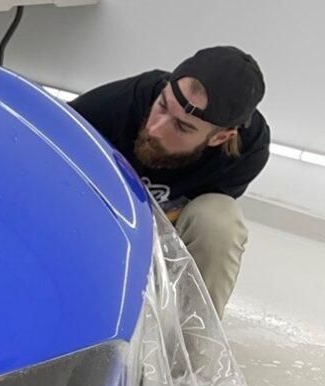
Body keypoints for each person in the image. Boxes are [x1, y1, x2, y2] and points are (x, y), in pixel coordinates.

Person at [71, 46, 269, 317]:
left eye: (182, 127)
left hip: (160, 235)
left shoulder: (248, 152)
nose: (155, 129)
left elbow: (183, 231)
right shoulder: (120, 102)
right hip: (88, 218)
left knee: (219, 223)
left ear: (220, 137)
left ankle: (191, 338)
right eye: (162, 106)